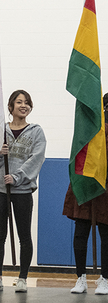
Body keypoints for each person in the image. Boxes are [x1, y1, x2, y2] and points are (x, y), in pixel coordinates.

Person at [0, 90, 46, 293]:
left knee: (24, 235)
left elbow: (36, 159)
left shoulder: (36, 131)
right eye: (19, 102)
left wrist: (17, 177)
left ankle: (22, 278)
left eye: (27, 102)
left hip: (22, 191)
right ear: (10, 106)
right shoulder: (0, 131)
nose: (23, 105)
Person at [63, 93, 108, 295]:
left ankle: (105, 278)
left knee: (106, 235)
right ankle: (80, 277)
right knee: (81, 233)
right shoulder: (87, 128)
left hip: (105, 187)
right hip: (85, 184)